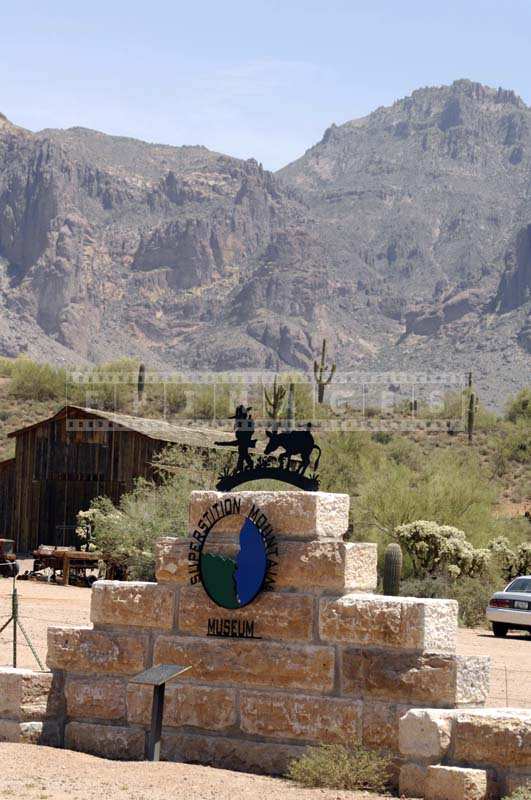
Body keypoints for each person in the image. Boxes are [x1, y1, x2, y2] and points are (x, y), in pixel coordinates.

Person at [230, 405, 255, 472]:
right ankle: (245, 467)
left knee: (243, 455)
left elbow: (250, 432)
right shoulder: (243, 423)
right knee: (243, 455)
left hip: (244, 443)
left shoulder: (246, 422)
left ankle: (242, 467)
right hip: (243, 443)